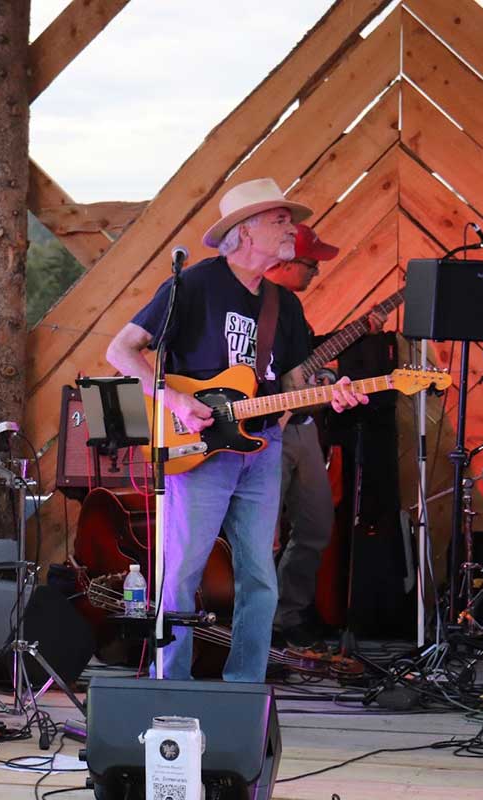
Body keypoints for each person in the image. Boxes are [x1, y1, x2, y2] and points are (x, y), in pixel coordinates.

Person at [106, 178, 367, 682]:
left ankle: (244, 686)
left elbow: (292, 380)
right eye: (280, 219)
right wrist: (174, 399)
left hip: (262, 446)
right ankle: (170, 683)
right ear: (245, 232)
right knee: (183, 572)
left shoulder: (283, 305)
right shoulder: (196, 285)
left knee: (259, 577)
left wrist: (329, 386)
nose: (294, 227)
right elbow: (121, 350)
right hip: (197, 447)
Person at [264, 225, 387, 647]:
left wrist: (325, 376)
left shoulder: (292, 308)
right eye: (311, 263)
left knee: (316, 526)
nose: (316, 271)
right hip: (266, 429)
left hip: (300, 426)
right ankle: (259, 625)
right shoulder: (252, 300)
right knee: (264, 534)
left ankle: (287, 616)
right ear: (284, 259)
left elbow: (302, 365)